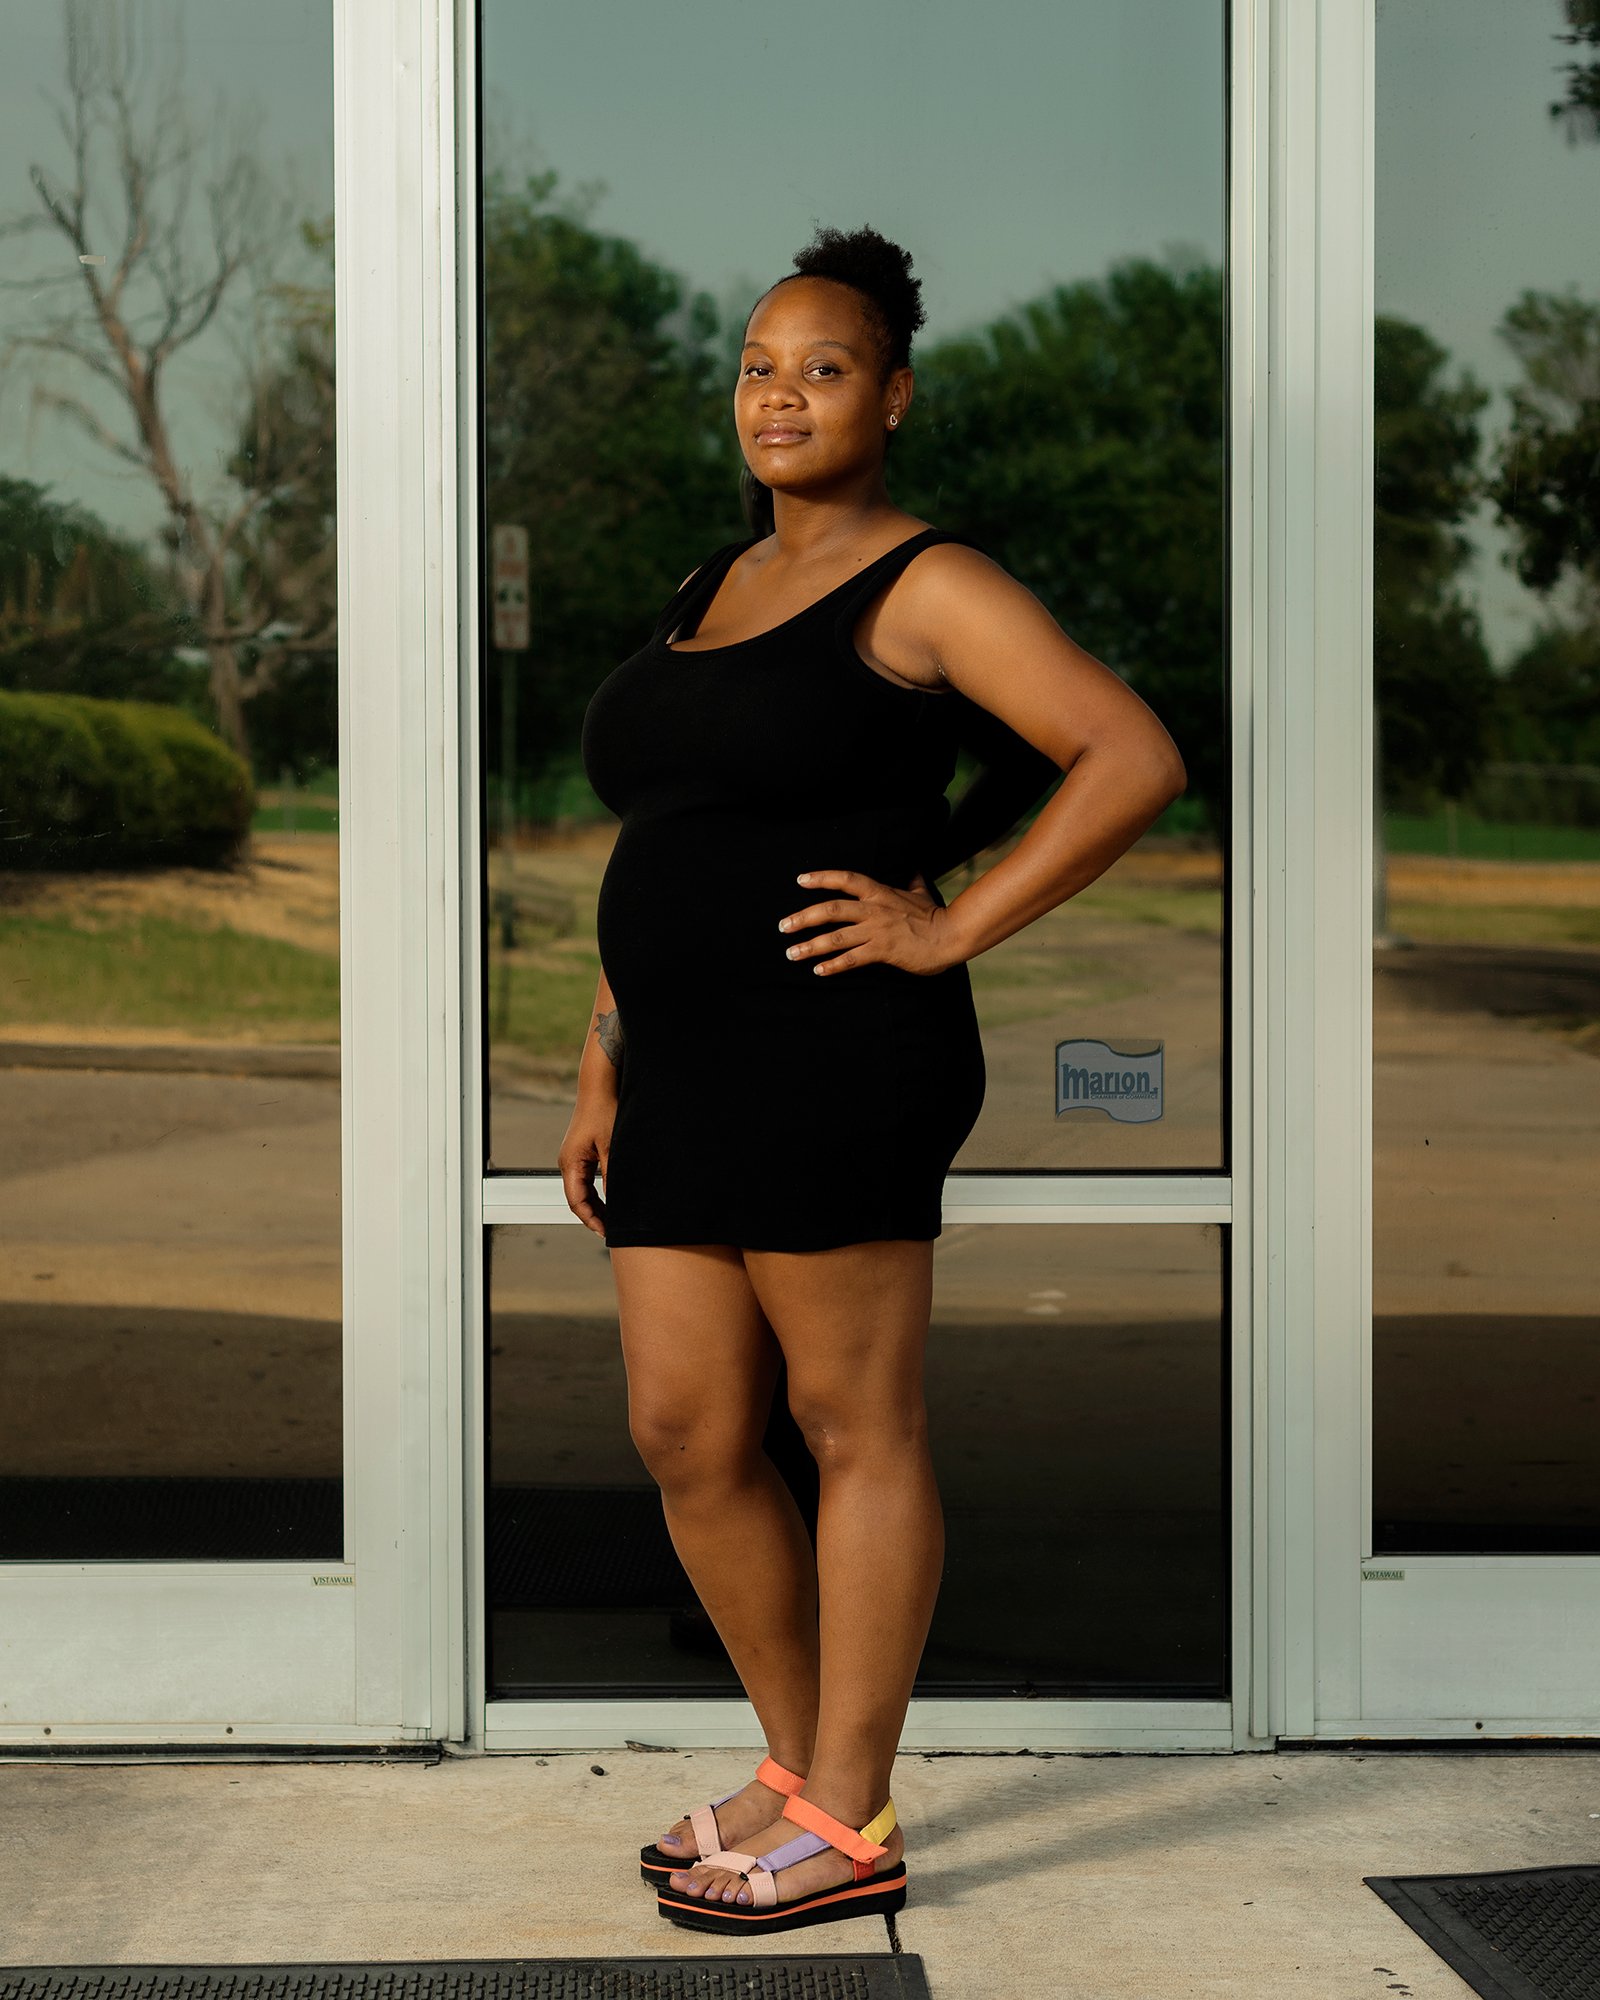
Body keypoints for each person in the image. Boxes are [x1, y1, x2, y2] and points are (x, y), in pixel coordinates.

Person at [565, 224, 1186, 1936]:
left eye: (822, 367)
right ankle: (799, 1772)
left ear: (893, 397)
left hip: (838, 1059)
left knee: (852, 1426)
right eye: (760, 364)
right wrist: (608, 1052)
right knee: (687, 1431)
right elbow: (673, 838)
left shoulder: (929, 585)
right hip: (680, 1068)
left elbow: (1128, 754)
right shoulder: (713, 583)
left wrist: (950, 927)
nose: (782, 392)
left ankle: (849, 1813)